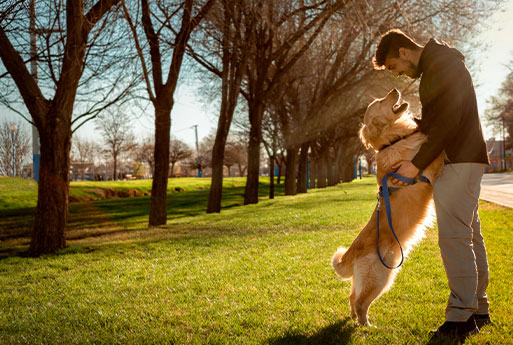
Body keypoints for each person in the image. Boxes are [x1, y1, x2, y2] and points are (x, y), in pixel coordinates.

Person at [372, 29, 490, 340]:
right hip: (462, 158)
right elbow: (437, 121)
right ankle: (478, 309)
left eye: (396, 68)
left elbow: (448, 122)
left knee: (454, 238)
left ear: (403, 52)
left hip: (458, 159)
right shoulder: (440, 65)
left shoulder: (442, 66)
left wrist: (415, 163)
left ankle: (460, 318)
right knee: (468, 233)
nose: (399, 75)